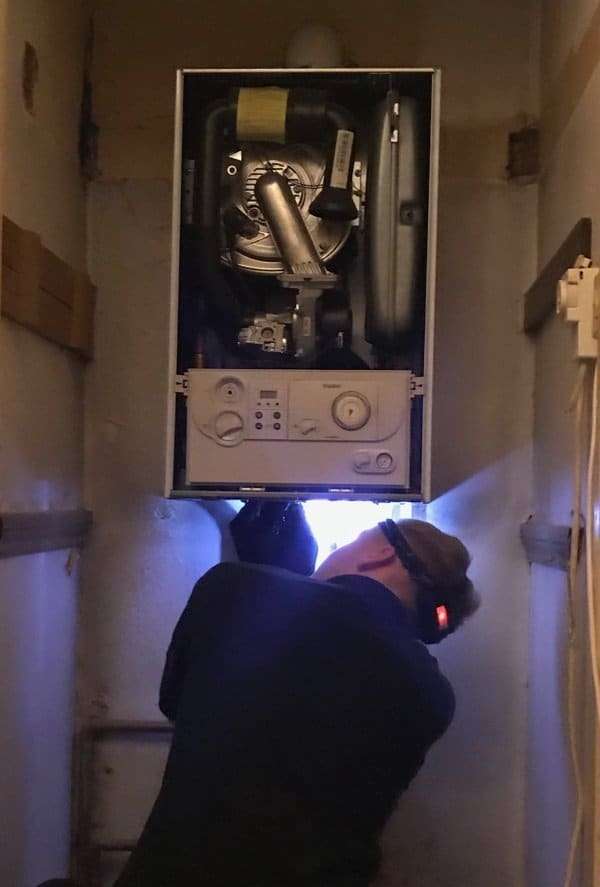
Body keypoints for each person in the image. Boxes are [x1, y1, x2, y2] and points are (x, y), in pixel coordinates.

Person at [114, 518, 479, 887]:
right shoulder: (433, 695)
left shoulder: (232, 587)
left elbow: (175, 702)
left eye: (353, 539)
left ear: (381, 554)